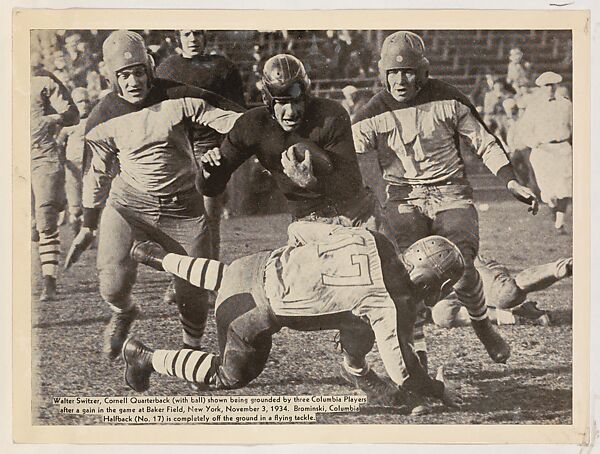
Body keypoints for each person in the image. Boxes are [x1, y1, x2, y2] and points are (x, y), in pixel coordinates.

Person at [123, 222, 465, 413]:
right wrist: (432, 388)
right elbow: (401, 368)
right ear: (433, 282)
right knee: (228, 376)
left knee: (225, 275)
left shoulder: (372, 237)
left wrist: (303, 268)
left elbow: (299, 228)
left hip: (255, 264)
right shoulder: (390, 302)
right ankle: (146, 359)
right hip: (252, 314)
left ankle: (161, 260)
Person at [351, 31, 538, 365]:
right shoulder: (370, 113)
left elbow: (484, 142)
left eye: (407, 71)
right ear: (383, 74)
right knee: (411, 276)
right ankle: (419, 355)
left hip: (450, 191)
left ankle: (482, 326)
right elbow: (351, 159)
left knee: (461, 266)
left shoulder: (449, 98)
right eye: (393, 72)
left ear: (423, 71)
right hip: (403, 196)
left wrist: (511, 181)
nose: (400, 79)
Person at [65, 30, 243, 361]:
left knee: (192, 287)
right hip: (129, 204)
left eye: (138, 72)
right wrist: (88, 224)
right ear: (112, 78)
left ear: (149, 69)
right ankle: (124, 312)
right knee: (112, 283)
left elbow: (236, 120)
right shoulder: (103, 116)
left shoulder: (179, 95)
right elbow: (98, 173)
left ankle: (192, 350)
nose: (133, 81)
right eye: (125, 75)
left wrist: (225, 151)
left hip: (182, 205)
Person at [199, 53, 389, 234]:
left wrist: (312, 182)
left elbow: (351, 185)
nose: (290, 112)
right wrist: (209, 168)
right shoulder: (252, 125)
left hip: (356, 213)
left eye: (296, 101)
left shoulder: (330, 115)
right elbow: (211, 186)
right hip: (308, 222)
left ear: (306, 96)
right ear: (268, 101)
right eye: (282, 102)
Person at [156, 29, 246, 304]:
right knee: (178, 219)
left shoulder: (223, 67)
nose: (192, 37)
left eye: (197, 32)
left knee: (209, 218)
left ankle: (209, 283)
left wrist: (226, 150)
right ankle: (179, 283)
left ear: (206, 35)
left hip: (212, 148)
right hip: (178, 149)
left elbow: (237, 113)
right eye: (186, 32)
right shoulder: (166, 67)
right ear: (177, 37)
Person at [31, 54, 80, 301]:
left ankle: (48, 279)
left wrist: (51, 118)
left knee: (46, 218)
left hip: (42, 155)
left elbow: (73, 113)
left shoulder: (43, 81)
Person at [431, 255, 572, 328]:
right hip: (449, 292)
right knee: (442, 315)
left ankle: (559, 268)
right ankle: (518, 315)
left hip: (463, 265)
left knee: (505, 295)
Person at [519, 71, 572, 234]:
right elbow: (524, 130)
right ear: (541, 88)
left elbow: (574, 124)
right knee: (548, 190)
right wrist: (532, 142)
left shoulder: (566, 104)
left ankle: (559, 222)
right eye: (547, 85)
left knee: (565, 185)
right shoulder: (534, 107)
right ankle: (554, 211)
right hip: (543, 151)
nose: (550, 88)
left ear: (557, 86)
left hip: (562, 148)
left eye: (553, 85)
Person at [57, 87, 93, 235]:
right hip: (72, 167)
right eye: (80, 101)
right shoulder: (69, 126)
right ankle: (74, 227)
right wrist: (62, 161)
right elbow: (59, 143)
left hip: (90, 167)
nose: (84, 104)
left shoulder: (94, 120)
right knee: (75, 203)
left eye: (87, 101)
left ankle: (88, 232)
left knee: (90, 199)